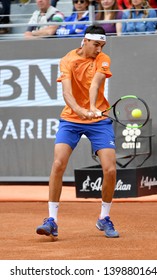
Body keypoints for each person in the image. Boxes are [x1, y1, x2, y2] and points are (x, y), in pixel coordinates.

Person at [36, 24, 119, 239]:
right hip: (71, 119)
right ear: (84, 40)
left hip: (98, 121)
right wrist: (80, 110)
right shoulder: (68, 60)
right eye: (95, 44)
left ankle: (104, 218)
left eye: (102, 45)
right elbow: (67, 92)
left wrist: (92, 108)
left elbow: (95, 83)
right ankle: (51, 220)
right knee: (58, 164)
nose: (99, 49)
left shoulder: (103, 59)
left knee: (110, 170)